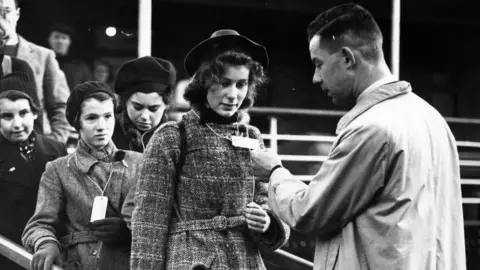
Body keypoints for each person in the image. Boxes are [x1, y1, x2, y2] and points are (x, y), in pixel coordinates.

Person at [251, 4, 466, 270]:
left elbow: (310, 213)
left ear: (347, 58)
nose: (316, 78)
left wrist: (273, 172)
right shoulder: (434, 119)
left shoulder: (371, 128)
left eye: (318, 64)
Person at [130, 29, 290, 269]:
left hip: (243, 260)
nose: (233, 95)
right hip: (190, 259)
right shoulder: (172, 136)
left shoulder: (252, 136)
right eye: (224, 83)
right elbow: (149, 222)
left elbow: (267, 201)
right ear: (204, 82)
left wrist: (267, 222)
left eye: (241, 84)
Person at [22, 81, 143, 270]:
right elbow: (39, 225)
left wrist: (129, 231)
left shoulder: (140, 163)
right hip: (79, 263)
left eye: (107, 116)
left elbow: (160, 219)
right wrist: (46, 244)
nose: (101, 126)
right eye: (92, 118)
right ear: (77, 122)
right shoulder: (59, 169)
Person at [0, 73, 66, 270]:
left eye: (23, 113)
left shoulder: (57, 150)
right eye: (6, 116)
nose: (17, 124)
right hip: (8, 254)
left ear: (35, 113)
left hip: (49, 254)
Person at [0, 0, 71, 143]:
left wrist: (53, 144)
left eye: (6, 11)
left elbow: (61, 105)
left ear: (17, 14)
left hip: (35, 143)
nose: (1, 17)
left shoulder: (43, 56)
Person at [112, 56, 176, 152]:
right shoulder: (109, 133)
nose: (145, 116)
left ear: (166, 105)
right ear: (125, 102)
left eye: (153, 109)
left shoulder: (177, 137)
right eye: (137, 107)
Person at [48, 22, 92, 91]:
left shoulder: (81, 67)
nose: (60, 41)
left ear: (69, 41)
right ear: (49, 39)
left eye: (64, 38)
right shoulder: (41, 63)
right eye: (56, 37)